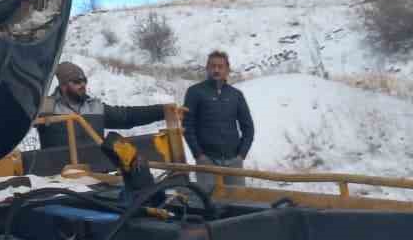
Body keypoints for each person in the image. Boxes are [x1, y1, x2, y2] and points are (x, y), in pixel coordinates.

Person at [182, 51, 254, 194]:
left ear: (227, 69)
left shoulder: (236, 95)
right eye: (213, 66)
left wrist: (241, 155)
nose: (216, 70)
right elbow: (187, 126)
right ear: (207, 68)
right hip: (206, 159)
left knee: (237, 199)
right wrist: (198, 155)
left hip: (233, 160)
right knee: (206, 200)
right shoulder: (195, 92)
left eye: (220, 66)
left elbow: (248, 128)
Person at [39, 61, 172, 135]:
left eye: (84, 80)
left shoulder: (94, 107)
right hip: (58, 173)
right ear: (63, 85)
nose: (83, 85)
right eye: (77, 82)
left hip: (96, 171)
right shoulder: (46, 107)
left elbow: (127, 116)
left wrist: (165, 110)